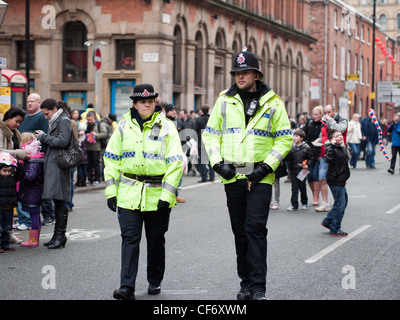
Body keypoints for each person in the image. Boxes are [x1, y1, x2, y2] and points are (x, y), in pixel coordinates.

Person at [202, 48, 292, 300]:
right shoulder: (224, 100)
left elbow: (284, 139)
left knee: (255, 228)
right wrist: (219, 164)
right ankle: (245, 283)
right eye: (236, 73)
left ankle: (258, 287)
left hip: (261, 176)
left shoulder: (273, 103)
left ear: (256, 74)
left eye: (244, 72)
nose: (240, 77)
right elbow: (210, 135)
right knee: (240, 231)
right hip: (232, 175)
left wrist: (266, 167)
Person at [104, 84, 183, 300]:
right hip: (128, 194)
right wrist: (111, 192)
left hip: (157, 194)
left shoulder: (167, 127)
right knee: (129, 239)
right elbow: (110, 159)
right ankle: (126, 287)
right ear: (135, 104)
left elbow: (176, 163)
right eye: (142, 101)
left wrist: (167, 196)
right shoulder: (122, 127)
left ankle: (154, 280)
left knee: (156, 239)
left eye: (150, 101)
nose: (146, 104)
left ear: (155, 102)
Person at [35, 99, 74, 249]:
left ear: (54, 109)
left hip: (59, 164)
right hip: (54, 163)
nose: (45, 117)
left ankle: (60, 235)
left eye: (47, 113)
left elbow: (63, 142)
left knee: (60, 199)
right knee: (57, 199)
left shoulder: (63, 120)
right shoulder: (57, 119)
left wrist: (44, 137)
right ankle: (57, 235)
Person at [18, 93, 54, 227]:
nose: (29, 104)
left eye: (32, 101)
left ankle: (49, 215)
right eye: (28, 101)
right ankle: (29, 217)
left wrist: (41, 154)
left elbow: (45, 137)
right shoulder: (26, 117)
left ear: (39, 103)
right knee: (30, 187)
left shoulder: (41, 118)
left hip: (39, 157)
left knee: (41, 188)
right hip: (26, 156)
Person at [0, 106, 30, 244]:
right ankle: (4, 237)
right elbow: (1, 150)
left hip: (11, 171)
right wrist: (20, 153)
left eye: (19, 122)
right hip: (3, 172)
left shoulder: (14, 132)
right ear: (8, 117)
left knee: (9, 204)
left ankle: (9, 234)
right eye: (16, 121)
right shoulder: (1, 131)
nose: (17, 124)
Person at [315, 104, 348, 212]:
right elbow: (323, 135)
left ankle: (338, 202)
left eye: (329, 112)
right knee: (322, 178)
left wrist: (330, 120)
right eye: (325, 113)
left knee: (338, 179)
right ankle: (325, 203)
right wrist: (317, 141)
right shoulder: (324, 122)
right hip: (325, 154)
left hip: (338, 155)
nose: (326, 115)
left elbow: (339, 130)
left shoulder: (342, 120)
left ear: (334, 111)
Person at [321, 129, 350, 237]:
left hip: (341, 179)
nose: (341, 137)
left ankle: (328, 221)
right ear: (332, 139)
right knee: (340, 204)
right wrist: (331, 146)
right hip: (335, 179)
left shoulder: (341, 147)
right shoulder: (330, 148)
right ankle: (335, 228)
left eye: (341, 135)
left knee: (344, 202)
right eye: (337, 136)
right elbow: (328, 159)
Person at [18, 133, 44, 247]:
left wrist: (21, 172)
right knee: (36, 215)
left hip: (32, 193)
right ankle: (35, 239)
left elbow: (30, 177)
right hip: (35, 192)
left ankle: (33, 240)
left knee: (34, 214)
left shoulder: (32, 163)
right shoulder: (37, 161)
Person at [0, 152, 25, 252]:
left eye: (9, 171)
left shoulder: (13, 176)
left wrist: (17, 163)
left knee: (7, 228)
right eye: (4, 171)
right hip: (0, 206)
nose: (7, 173)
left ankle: (6, 244)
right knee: (0, 227)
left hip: (9, 206)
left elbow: (22, 174)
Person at [285, 129, 314, 211]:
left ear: (302, 138)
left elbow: (311, 158)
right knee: (294, 187)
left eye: (297, 136)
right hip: (293, 169)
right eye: (294, 136)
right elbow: (288, 158)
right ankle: (294, 204)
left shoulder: (306, 147)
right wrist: (287, 151)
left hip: (303, 170)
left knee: (302, 187)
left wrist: (308, 165)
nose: (294, 138)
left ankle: (304, 202)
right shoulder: (291, 147)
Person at [304, 106, 323, 206]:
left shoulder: (323, 124)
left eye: (317, 115)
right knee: (309, 176)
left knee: (316, 175)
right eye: (313, 114)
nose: (315, 116)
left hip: (319, 152)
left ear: (321, 115)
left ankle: (316, 196)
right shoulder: (309, 124)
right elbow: (304, 136)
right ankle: (314, 194)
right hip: (309, 153)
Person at [85, 111, 108, 186]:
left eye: (90, 119)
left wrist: (96, 135)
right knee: (89, 165)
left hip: (96, 148)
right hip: (88, 147)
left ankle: (97, 179)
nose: (89, 121)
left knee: (96, 164)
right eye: (88, 120)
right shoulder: (87, 125)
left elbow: (104, 134)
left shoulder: (99, 124)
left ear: (94, 118)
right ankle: (90, 179)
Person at [194, 105, 215, 183]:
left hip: (201, 142)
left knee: (203, 160)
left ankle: (204, 177)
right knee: (211, 159)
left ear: (202, 111)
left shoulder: (199, 119)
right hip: (211, 141)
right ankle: (212, 176)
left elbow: (195, 131)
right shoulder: (211, 119)